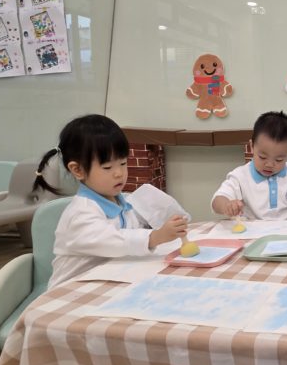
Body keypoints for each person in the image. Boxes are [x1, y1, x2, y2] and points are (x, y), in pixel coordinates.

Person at [34, 114, 188, 289]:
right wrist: (154, 237)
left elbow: (136, 226)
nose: (119, 173)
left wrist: (169, 223)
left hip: (108, 281)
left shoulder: (123, 203)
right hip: (72, 289)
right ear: (78, 170)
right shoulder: (80, 213)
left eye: (123, 163)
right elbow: (112, 240)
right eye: (107, 167)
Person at [212, 111, 287, 220]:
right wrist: (226, 205)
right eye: (262, 157)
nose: (269, 165)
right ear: (252, 146)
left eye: (278, 160)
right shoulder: (240, 176)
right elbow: (218, 200)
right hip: (255, 229)